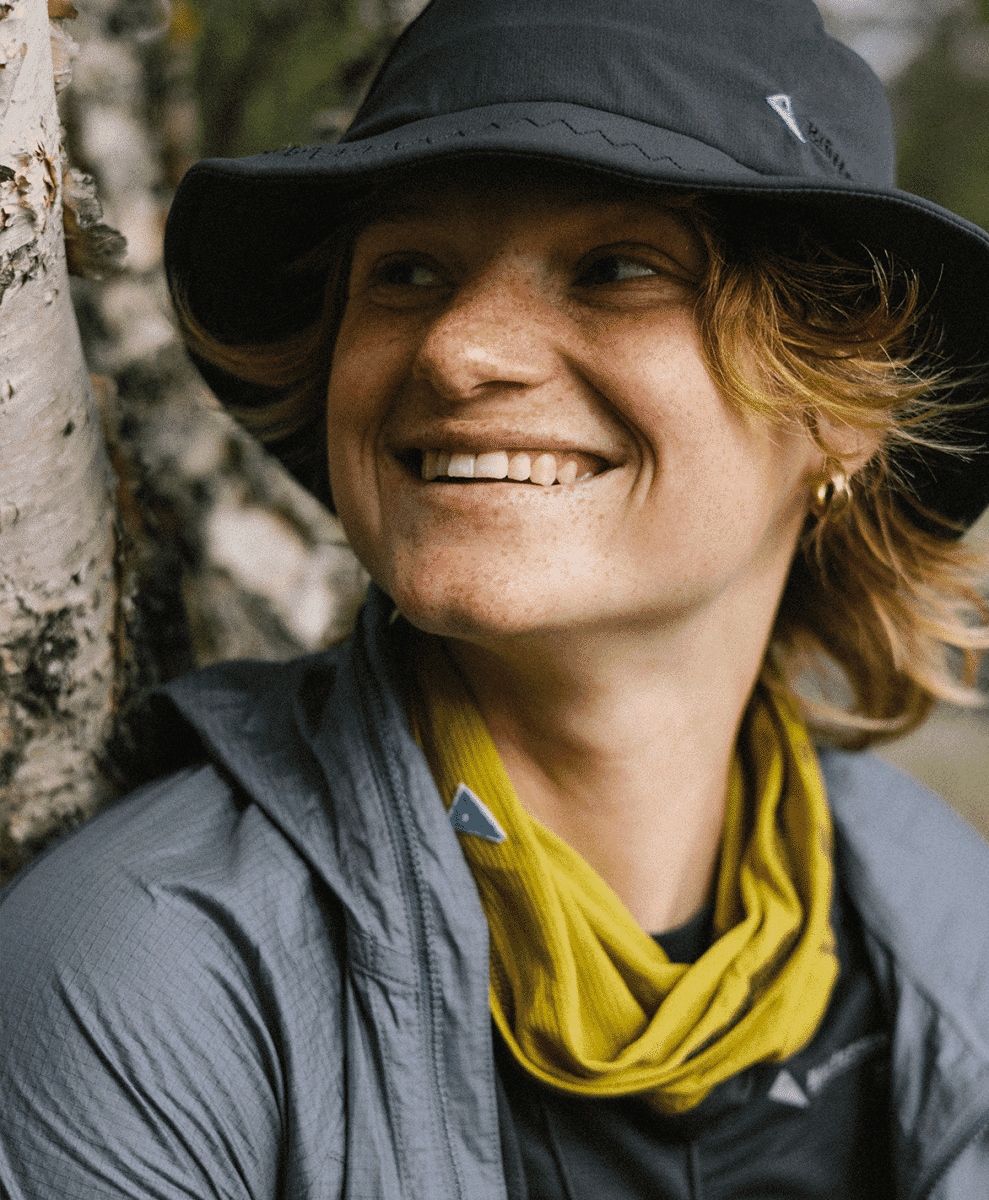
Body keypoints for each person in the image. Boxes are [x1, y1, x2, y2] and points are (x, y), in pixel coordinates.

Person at [3, 0, 989, 1195]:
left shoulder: (949, 917)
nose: (458, 351)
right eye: (406, 271)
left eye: (616, 268)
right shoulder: (151, 976)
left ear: (842, 405)